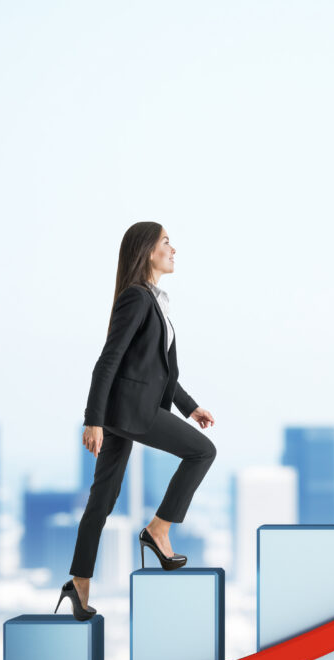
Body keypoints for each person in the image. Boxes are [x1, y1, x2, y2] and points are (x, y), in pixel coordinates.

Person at [55, 221, 217, 621]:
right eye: (166, 242)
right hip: (130, 412)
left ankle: (78, 584)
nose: (174, 249)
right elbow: (108, 360)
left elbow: (155, 371)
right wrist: (92, 420)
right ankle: (158, 529)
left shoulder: (154, 301)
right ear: (147, 251)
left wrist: (189, 407)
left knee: (102, 500)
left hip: (125, 410)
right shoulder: (137, 297)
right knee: (202, 452)